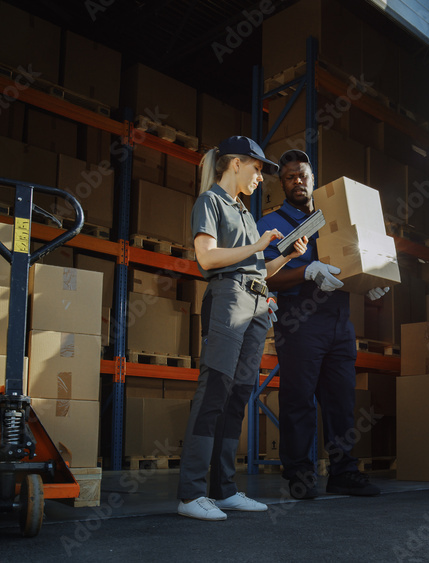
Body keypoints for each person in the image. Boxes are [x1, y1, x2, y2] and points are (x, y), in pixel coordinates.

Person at [177, 136, 307, 522]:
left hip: (256, 302)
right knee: (214, 389)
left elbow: (259, 269)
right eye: (257, 169)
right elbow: (207, 256)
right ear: (236, 163)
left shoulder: (246, 213)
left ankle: (224, 490)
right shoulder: (210, 202)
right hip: (228, 299)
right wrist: (257, 247)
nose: (260, 178)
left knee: (238, 396)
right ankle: (190, 494)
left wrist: (283, 255)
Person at [256, 149, 389, 500]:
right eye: (290, 177)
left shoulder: (335, 217)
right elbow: (267, 278)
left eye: (303, 175)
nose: (298, 182)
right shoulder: (271, 224)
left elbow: (353, 258)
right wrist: (307, 272)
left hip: (339, 320)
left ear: (313, 178)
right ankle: (299, 474)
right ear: (282, 183)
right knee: (298, 399)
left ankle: (343, 472)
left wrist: (369, 278)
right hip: (299, 321)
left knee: (341, 400)